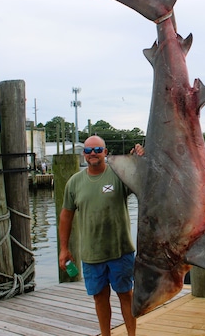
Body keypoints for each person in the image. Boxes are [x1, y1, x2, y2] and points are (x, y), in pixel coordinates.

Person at [59, 135, 143, 336]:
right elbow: (65, 216)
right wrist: (64, 248)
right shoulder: (74, 182)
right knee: (99, 297)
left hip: (120, 250)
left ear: (105, 152)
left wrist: (138, 158)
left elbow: (139, 175)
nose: (93, 154)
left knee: (126, 295)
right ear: (83, 155)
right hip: (91, 253)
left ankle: (132, 334)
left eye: (97, 149)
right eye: (88, 151)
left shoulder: (118, 174)